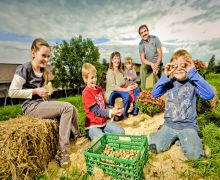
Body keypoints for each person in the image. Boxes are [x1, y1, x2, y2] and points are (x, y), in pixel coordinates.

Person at [8, 38, 80, 167]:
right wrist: (35, 91)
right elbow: (12, 92)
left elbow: (44, 91)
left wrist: (48, 91)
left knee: (73, 108)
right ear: (33, 53)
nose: (46, 60)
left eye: (48, 57)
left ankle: (76, 136)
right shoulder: (24, 68)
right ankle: (62, 151)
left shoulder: (43, 71)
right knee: (67, 108)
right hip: (31, 107)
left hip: (41, 104)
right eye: (43, 56)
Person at [149, 49, 215, 160]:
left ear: (189, 66)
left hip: (188, 126)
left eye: (183, 65)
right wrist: (165, 75)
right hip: (169, 125)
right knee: (155, 147)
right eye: (175, 66)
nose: (179, 68)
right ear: (171, 68)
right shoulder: (169, 83)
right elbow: (155, 94)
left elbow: (209, 94)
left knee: (194, 155)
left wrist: (193, 73)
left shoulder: (193, 82)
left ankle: (188, 140)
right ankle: (168, 136)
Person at [82, 63, 125, 141]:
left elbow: (104, 106)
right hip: (93, 125)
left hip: (103, 123)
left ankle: (102, 134)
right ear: (85, 79)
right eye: (92, 78)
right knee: (104, 140)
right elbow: (97, 111)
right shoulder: (86, 93)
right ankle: (91, 134)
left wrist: (115, 110)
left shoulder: (99, 89)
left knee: (121, 131)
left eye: (95, 77)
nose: (94, 80)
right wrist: (111, 112)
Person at [105, 51, 140, 120]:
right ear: (112, 60)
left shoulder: (121, 71)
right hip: (112, 93)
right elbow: (113, 87)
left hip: (121, 90)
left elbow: (125, 82)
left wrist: (133, 84)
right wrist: (126, 89)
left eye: (118, 58)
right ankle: (123, 115)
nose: (117, 60)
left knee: (136, 90)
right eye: (115, 58)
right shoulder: (110, 72)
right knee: (126, 94)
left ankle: (134, 111)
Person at [138, 24, 163, 91]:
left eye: (145, 31)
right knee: (143, 67)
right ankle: (143, 90)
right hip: (149, 64)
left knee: (159, 83)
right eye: (141, 33)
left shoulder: (155, 39)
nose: (144, 34)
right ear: (140, 35)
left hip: (158, 63)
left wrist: (156, 65)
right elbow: (143, 59)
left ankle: (158, 91)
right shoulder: (141, 44)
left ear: (148, 31)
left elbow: (160, 54)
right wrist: (151, 64)